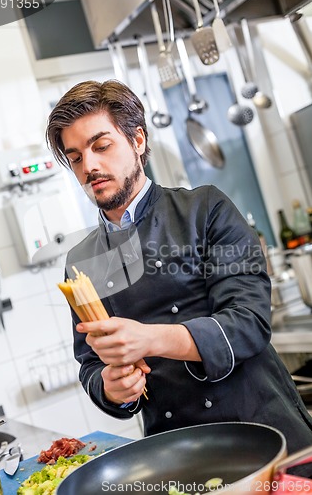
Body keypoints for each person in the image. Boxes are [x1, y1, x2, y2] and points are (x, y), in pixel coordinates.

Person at [46, 79, 312, 472]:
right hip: (175, 456)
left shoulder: (205, 210)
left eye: (101, 146)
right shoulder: (80, 260)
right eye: (76, 158)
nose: (90, 167)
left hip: (263, 434)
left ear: (137, 141)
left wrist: (148, 338)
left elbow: (249, 322)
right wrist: (112, 389)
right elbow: (89, 363)